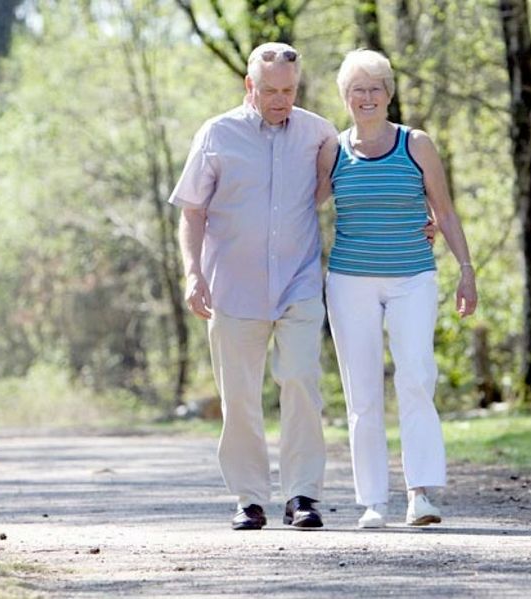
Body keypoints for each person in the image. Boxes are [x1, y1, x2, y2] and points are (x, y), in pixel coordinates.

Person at [168, 42, 336, 530]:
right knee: (239, 396)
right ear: (249, 86)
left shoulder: (318, 133)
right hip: (233, 289)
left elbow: (357, 179)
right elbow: (192, 211)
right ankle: (249, 498)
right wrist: (193, 273)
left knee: (302, 381)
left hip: (298, 283)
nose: (281, 100)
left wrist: (423, 218)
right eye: (270, 91)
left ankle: (303, 495)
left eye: (289, 90)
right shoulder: (217, 134)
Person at [316, 49, 478, 528]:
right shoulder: (333, 149)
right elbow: (304, 207)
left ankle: (421, 494)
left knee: (416, 376)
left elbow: (444, 212)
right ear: (345, 98)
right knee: (362, 392)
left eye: (375, 88)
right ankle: (372, 502)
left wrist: (466, 269)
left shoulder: (417, 144)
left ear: (389, 94)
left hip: (412, 276)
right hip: (349, 281)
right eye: (357, 90)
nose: (366, 97)